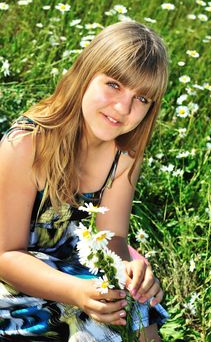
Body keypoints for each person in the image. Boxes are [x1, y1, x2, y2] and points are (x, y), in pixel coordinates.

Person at [0, 21, 169, 342]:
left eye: (142, 98)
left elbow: (115, 237)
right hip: (15, 270)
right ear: (85, 74)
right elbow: (6, 254)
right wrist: (76, 291)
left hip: (75, 263)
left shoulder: (124, 152)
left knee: (132, 298)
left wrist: (126, 269)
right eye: (114, 85)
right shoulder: (25, 145)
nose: (123, 108)